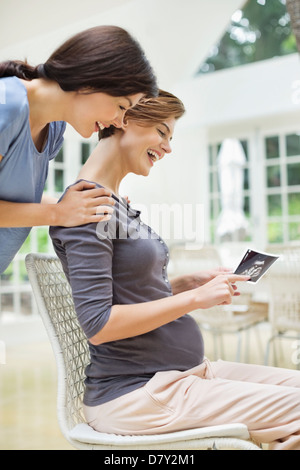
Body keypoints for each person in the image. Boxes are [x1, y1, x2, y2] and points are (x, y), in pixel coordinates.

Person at [50, 91, 300, 450]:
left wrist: (184, 285)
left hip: (184, 376)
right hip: (139, 393)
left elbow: (128, 292)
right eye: (162, 132)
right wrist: (196, 300)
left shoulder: (112, 202)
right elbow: (100, 326)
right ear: (122, 119)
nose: (168, 147)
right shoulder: (87, 206)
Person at [0, 25, 158, 274]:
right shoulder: (6, 104)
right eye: (121, 106)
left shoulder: (53, 129)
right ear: (90, 81)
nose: (119, 122)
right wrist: (57, 213)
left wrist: (91, 205)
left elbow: (16, 198)